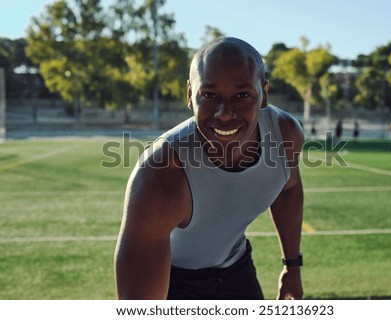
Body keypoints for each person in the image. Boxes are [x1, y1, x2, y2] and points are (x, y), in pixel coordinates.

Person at [114, 37, 305, 300]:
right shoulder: (160, 175)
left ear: (264, 95)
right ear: (190, 96)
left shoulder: (285, 134)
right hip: (173, 279)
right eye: (209, 95)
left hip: (236, 267)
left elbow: (288, 189)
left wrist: (292, 266)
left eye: (242, 95)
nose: (225, 114)